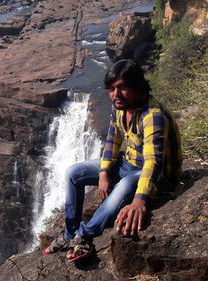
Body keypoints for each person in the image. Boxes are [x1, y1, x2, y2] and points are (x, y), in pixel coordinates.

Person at [43, 59, 182, 262]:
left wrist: (139, 200)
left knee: (126, 183)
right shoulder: (120, 108)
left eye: (122, 88)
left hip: (159, 176)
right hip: (130, 164)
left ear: (138, 87)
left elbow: (153, 162)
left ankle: (84, 236)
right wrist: (104, 172)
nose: (115, 95)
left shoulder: (153, 116)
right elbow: (112, 141)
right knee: (73, 172)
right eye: (111, 89)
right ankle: (69, 234)